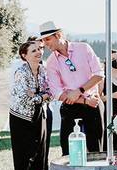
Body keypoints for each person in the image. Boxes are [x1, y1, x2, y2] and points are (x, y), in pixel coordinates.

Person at [40, 22, 104, 156]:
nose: (45, 44)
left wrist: (78, 91)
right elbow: (57, 93)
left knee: (96, 150)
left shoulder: (84, 48)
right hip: (71, 106)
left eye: (47, 39)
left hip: (94, 104)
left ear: (58, 35)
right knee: (68, 152)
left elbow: (98, 74)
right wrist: (84, 100)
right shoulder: (51, 61)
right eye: (43, 40)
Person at [9, 39, 52, 170]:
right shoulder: (20, 71)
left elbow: (51, 92)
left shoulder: (44, 70)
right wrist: (42, 96)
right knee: (22, 158)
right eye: (33, 50)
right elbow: (23, 97)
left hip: (40, 116)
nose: (38, 52)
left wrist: (38, 95)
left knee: (40, 155)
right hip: (20, 118)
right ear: (24, 55)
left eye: (40, 49)